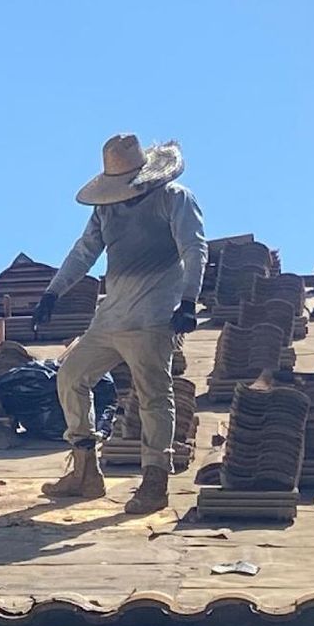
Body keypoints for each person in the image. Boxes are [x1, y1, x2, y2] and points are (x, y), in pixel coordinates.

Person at [32, 133, 206, 513]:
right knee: (70, 376)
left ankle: (155, 481)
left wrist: (189, 301)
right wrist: (53, 292)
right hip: (111, 317)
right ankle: (85, 471)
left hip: (153, 316)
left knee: (154, 396)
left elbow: (194, 249)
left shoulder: (174, 199)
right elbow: (84, 252)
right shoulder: (106, 210)